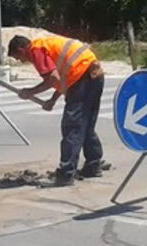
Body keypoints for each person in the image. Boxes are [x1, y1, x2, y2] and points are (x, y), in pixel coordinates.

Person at [9, 34, 106, 186]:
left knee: (72, 127)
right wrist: (53, 100)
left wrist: (30, 92)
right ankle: (93, 166)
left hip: (82, 77)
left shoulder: (36, 50)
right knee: (86, 124)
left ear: (21, 49)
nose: (22, 61)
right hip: (94, 74)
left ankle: (66, 174)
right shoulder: (45, 44)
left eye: (18, 57)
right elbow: (63, 77)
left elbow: (53, 79)